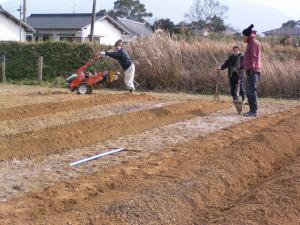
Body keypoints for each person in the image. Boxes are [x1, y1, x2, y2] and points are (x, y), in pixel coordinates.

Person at [242, 24, 261, 117]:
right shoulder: (250, 42)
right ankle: (252, 110)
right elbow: (248, 58)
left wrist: (251, 68)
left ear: (247, 35)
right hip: (250, 69)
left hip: (252, 70)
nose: (242, 38)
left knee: (251, 91)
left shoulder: (252, 42)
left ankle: (254, 111)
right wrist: (242, 66)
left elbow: (254, 56)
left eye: (243, 36)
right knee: (248, 90)